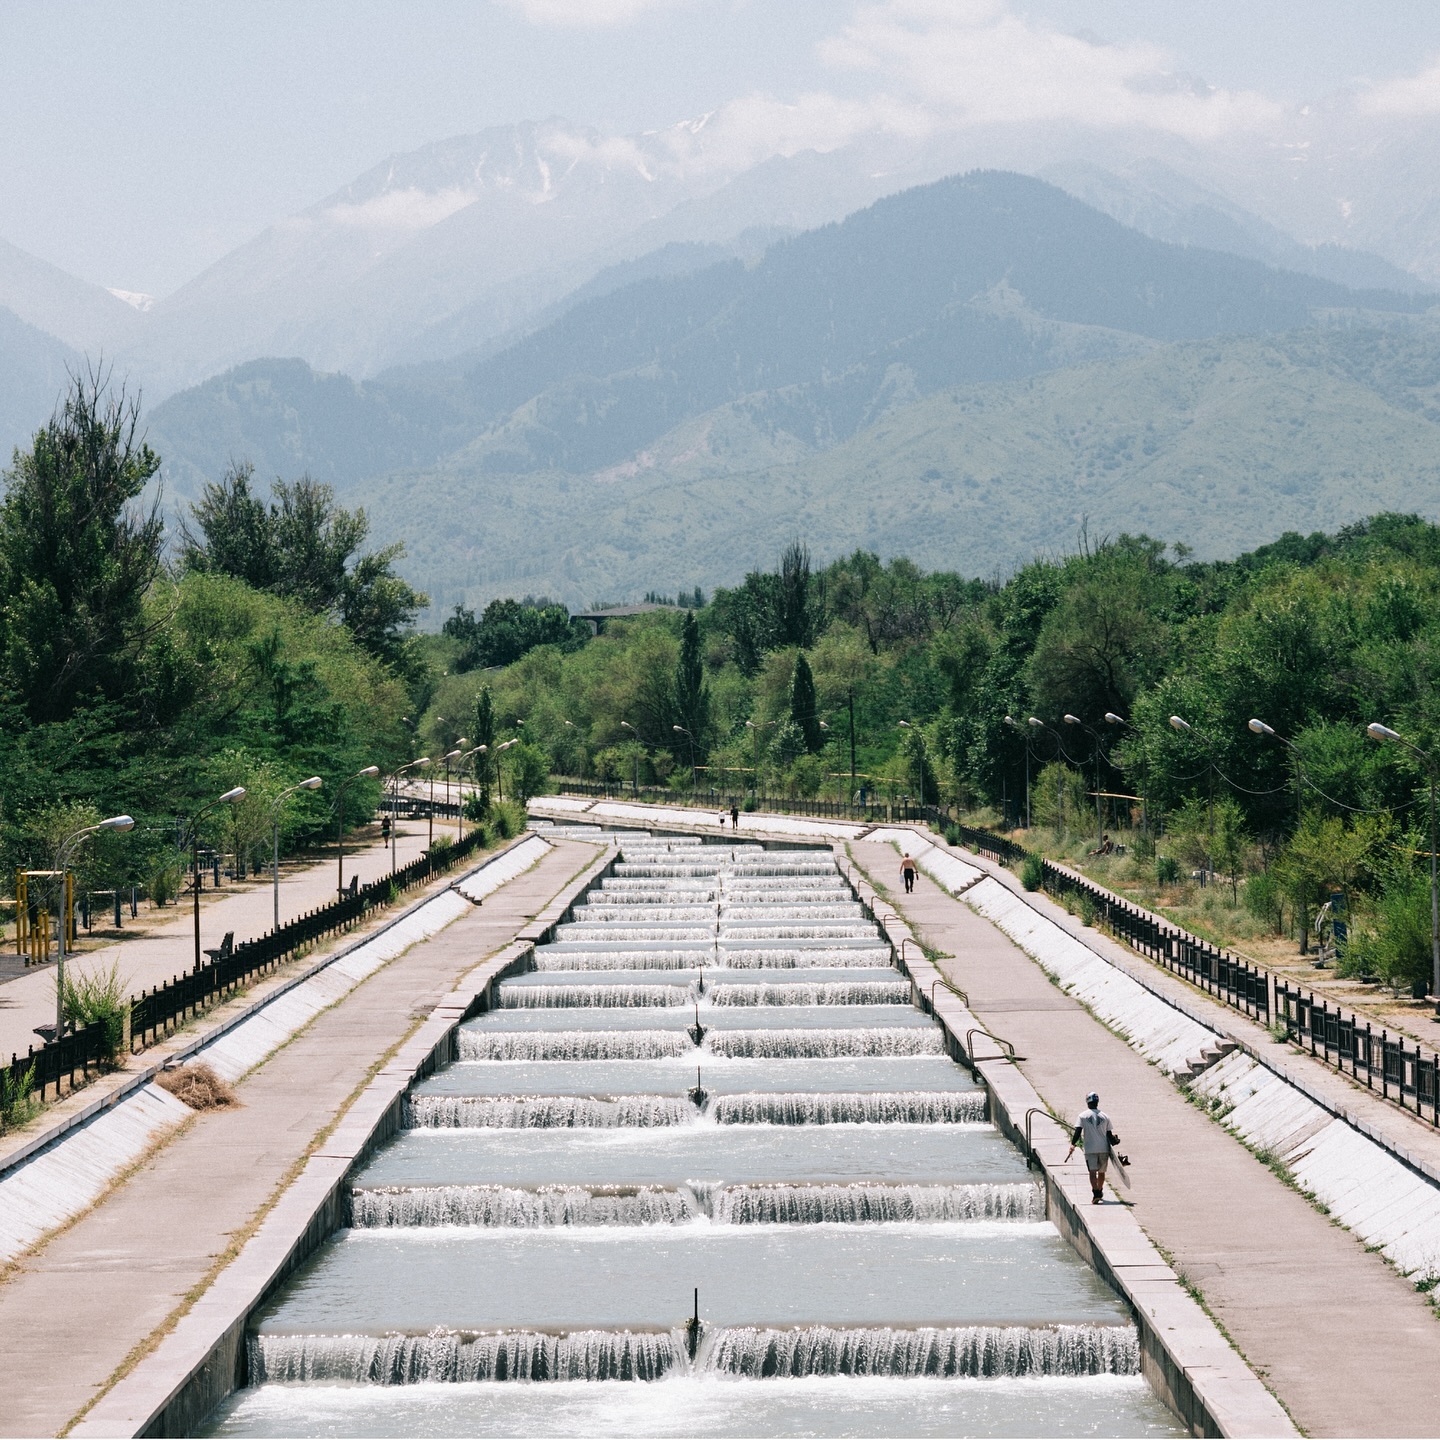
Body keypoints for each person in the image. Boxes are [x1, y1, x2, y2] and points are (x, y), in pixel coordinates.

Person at [1066, 1092, 1120, 1204]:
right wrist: (1116, 1141)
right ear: (1097, 1102)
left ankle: (1095, 1192)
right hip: (1104, 1148)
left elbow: (1078, 1132)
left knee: (1092, 1172)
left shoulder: (1082, 1116)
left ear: (1087, 1102)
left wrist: (1073, 1144)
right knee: (1101, 1172)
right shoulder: (1105, 1116)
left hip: (1090, 1149)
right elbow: (1109, 1135)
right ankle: (1100, 1191)